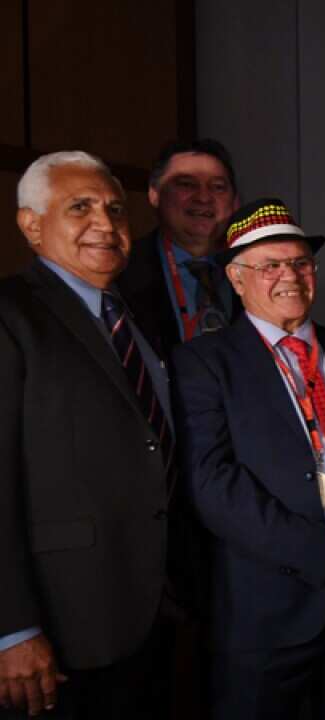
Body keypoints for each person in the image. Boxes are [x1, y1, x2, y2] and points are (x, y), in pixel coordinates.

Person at [171, 199, 325, 719]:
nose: (289, 276)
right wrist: (320, 553)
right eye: (270, 266)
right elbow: (212, 483)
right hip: (264, 613)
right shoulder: (202, 362)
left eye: (300, 263)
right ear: (236, 279)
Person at [0, 152, 183, 717]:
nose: (105, 224)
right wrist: (12, 629)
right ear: (31, 226)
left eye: (115, 210)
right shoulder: (10, 315)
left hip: (158, 609)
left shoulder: (136, 315)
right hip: (61, 624)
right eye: (80, 208)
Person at [117, 139, 242, 359]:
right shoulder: (119, 270)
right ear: (154, 194)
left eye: (218, 187)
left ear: (235, 202)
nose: (204, 197)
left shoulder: (258, 268)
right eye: (186, 184)